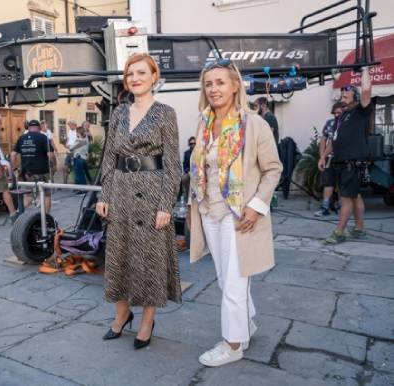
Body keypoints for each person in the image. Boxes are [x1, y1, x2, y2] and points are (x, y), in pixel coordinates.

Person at [189, 59, 282, 366]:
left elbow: (273, 169)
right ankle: (247, 323)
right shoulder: (203, 123)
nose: (214, 88)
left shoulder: (254, 123)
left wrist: (256, 207)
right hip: (209, 210)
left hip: (238, 215)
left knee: (233, 281)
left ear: (234, 86)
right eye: (208, 83)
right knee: (225, 278)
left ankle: (232, 345)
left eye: (220, 82)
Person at [96, 53, 182, 350]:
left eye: (141, 73)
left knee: (150, 260)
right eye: (130, 74)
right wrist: (104, 194)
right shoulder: (118, 112)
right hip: (120, 192)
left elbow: (173, 164)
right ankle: (121, 316)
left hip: (151, 194)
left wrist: (165, 205)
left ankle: (147, 320)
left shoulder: (165, 113)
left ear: (154, 77)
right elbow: (108, 158)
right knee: (118, 256)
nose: (135, 78)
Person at [324, 68, 372, 244]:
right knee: (355, 196)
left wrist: (365, 69)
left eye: (346, 96)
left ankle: (339, 232)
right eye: (341, 95)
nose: (342, 98)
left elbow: (366, 90)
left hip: (352, 163)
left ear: (355, 98)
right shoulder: (342, 116)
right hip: (342, 162)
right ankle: (359, 229)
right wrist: (323, 156)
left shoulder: (361, 111)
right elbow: (334, 139)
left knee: (346, 198)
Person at [11, 120, 55, 213]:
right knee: (46, 195)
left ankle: (18, 214)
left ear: (29, 128)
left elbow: (13, 155)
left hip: (27, 173)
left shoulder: (22, 138)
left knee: (28, 196)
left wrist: (14, 168)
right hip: (42, 172)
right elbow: (50, 155)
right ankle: (46, 218)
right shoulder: (43, 137)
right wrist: (54, 165)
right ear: (39, 128)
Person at [315, 102, 345, 217]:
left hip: (343, 157)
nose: (337, 115)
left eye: (339, 113)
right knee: (328, 183)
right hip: (330, 158)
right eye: (335, 113)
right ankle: (325, 208)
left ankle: (343, 208)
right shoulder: (330, 123)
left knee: (343, 184)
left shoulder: (346, 123)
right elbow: (323, 140)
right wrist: (322, 156)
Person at [69, 126, 90, 192]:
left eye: (76, 132)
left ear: (78, 132)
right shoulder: (85, 139)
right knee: (78, 174)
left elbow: (71, 148)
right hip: (82, 158)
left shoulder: (80, 141)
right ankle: (77, 188)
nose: (76, 134)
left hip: (79, 158)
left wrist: (67, 145)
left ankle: (83, 189)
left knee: (80, 175)